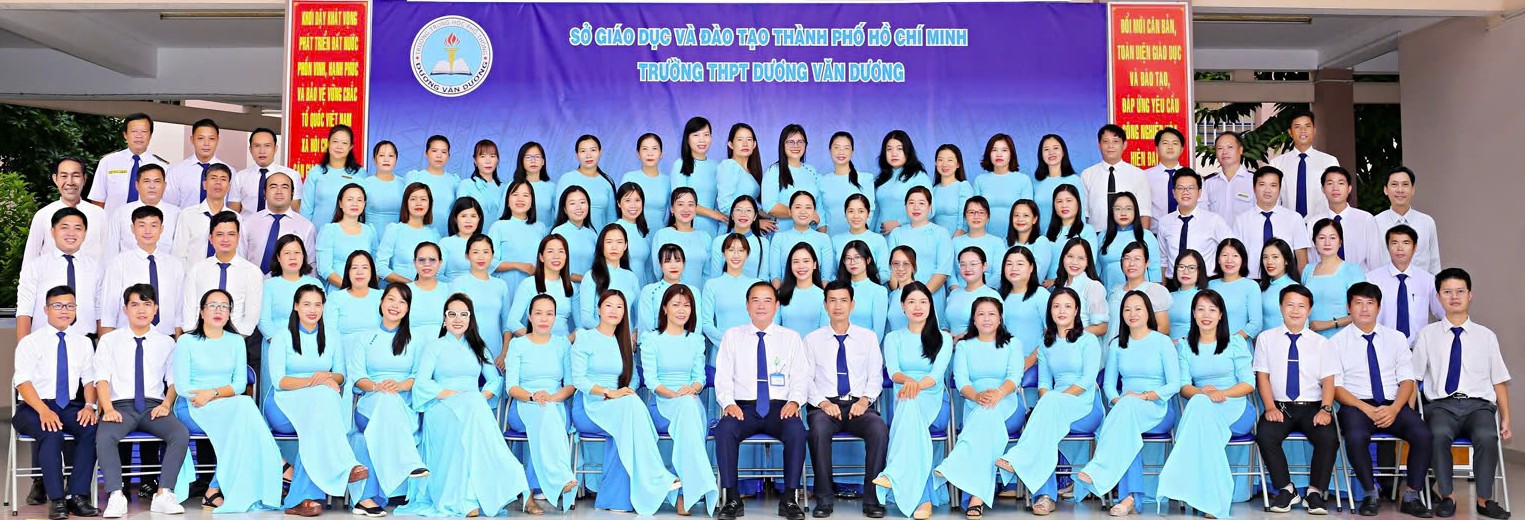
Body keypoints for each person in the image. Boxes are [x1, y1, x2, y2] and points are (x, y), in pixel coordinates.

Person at [403, 294, 531, 516]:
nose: (457, 319)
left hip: (473, 406)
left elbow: (495, 380)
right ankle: (506, 473)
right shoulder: (434, 347)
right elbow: (422, 384)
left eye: (463, 314)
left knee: (472, 408)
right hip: (441, 405)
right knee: (472, 408)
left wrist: (482, 395)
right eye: (452, 314)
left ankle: (469, 498)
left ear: (470, 319)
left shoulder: (479, 347)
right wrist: (452, 394)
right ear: (444, 319)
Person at [1412, 268, 1512, 519]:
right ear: (1438, 297)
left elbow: (1498, 380)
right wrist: (1410, 413)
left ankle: (1484, 500)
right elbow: (1413, 379)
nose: (1454, 297)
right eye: (1447, 292)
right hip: (1441, 407)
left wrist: (1506, 418)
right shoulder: (1426, 335)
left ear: (1470, 295)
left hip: (1479, 407)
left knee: (1487, 436)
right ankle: (1448, 496)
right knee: (1437, 435)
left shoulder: (1486, 336)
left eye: (1460, 291)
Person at [262, 286, 370, 517]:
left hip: (316, 407)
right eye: (307, 304)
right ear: (296, 306)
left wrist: (327, 378)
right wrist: (315, 381)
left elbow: (341, 376)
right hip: (283, 405)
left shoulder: (332, 336)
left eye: (318, 304)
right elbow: (279, 381)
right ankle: (344, 466)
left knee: (317, 418)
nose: (312, 310)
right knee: (323, 399)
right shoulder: (282, 337)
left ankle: (301, 499)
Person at [571, 291, 681, 515]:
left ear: (624, 313)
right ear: (599, 309)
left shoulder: (624, 342)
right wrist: (609, 392)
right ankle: (657, 476)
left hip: (619, 406)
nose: (614, 311)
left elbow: (633, 379)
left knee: (627, 419)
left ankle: (616, 500)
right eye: (608, 305)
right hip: (589, 406)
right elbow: (578, 380)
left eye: (619, 307)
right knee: (630, 408)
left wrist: (624, 391)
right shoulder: (584, 337)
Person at [173, 289, 282, 512]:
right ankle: (278, 462)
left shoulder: (236, 341)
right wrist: (206, 396)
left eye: (224, 306)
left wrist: (212, 394)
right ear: (201, 311)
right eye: (212, 305)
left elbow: (240, 384)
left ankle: (214, 489)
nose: (218, 310)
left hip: (224, 405)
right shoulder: (186, 341)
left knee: (242, 414)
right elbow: (182, 386)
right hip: (193, 406)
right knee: (243, 411)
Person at [1072, 290, 1180, 515]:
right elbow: (1109, 384)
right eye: (1127, 309)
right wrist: (1118, 400)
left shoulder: (1162, 342)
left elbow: (1174, 385)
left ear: (1148, 312)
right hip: (1126, 407)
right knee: (1127, 429)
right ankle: (1129, 498)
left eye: (1138, 308)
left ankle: (1098, 470)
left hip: (1157, 408)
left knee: (1125, 415)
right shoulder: (1117, 345)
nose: (1132, 313)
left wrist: (1143, 396)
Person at [1330, 282, 1433, 517]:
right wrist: (1365, 408)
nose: (1364, 309)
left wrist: (1395, 408)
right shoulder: (1336, 342)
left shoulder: (1396, 338)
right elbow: (1336, 387)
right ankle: (1370, 493)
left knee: (1423, 434)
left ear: (1379, 307)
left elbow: (1407, 381)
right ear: (1348, 307)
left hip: (1392, 403)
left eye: (1370, 303)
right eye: (1358, 303)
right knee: (1355, 436)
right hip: (1356, 405)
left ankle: (1412, 496)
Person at [997, 289, 1103, 516]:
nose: (1061, 311)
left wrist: (1056, 399)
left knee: (1047, 410)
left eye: (1067, 306)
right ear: (1050, 311)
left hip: (1085, 405)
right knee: (1046, 422)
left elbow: (1087, 381)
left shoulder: (1088, 340)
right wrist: (1050, 399)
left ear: (1076, 310)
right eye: (1056, 306)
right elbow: (1044, 383)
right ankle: (1045, 497)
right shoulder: (1045, 343)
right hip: (1054, 405)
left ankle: (1020, 460)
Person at [713, 282, 812, 520]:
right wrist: (728, 403)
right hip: (743, 407)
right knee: (724, 430)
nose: (761, 306)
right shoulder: (732, 336)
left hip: (780, 407)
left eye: (767, 300)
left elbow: (801, 376)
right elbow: (723, 376)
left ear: (776, 306)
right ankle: (732, 498)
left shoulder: (790, 338)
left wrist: (795, 402)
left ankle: (789, 498)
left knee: (797, 431)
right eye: (755, 300)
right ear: (747, 306)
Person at [1155, 290, 1257, 519]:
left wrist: (1221, 393)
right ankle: (1215, 501)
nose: (1206, 314)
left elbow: (1249, 384)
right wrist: (1203, 393)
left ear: (1221, 315)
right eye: (1200, 309)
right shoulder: (1185, 346)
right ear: (1193, 313)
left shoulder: (1235, 342)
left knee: (1201, 415)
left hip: (1235, 408)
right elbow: (1184, 386)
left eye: (1212, 309)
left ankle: (1182, 485)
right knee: (1201, 408)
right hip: (1203, 408)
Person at [93, 284, 189, 517]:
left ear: (155, 309)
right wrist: (108, 409)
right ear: (125, 309)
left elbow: (173, 381)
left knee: (179, 433)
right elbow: (101, 379)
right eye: (135, 304)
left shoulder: (167, 342)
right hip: (120, 406)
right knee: (105, 436)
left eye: (147, 304)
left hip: (153, 407)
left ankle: (163, 494)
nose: (141, 310)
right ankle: (116, 495)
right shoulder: (109, 340)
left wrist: (166, 405)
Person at [934, 295, 1029, 517]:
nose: (986, 318)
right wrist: (977, 396)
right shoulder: (964, 346)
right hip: (974, 405)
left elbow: (1015, 377)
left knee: (987, 416)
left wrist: (998, 393)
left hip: (1007, 404)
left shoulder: (1013, 344)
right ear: (974, 319)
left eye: (992, 314)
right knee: (984, 419)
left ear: (1000, 318)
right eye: (981, 314)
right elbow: (961, 382)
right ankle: (977, 496)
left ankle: (957, 467)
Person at [12, 286, 101, 520]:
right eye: (58, 305)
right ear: (46, 310)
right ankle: (57, 499)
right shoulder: (30, 342)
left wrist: (89, 406)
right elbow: (23, 382)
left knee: (91, 429)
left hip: (68, 405)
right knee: (51, 433)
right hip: (33, 407)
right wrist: (43, 410)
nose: (65, 310)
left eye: (70, 306)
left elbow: (89, 380)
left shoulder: (83, 342)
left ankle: (77, 496)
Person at [804, 281, 889, 518]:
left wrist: (864, 401)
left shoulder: (867, 338)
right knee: (818, 430)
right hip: (825, 406)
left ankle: (872, 500)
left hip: (858, 404)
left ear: (852, 304)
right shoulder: (812, 339)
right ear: (825, 304)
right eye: (832, 300)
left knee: (879, 429)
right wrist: (823, 403)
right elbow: (805, 379)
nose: (838, 306)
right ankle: (824, 500)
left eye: (843, 300)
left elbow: (875, 376)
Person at [1253, 284, 1339, 514]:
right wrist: (1269, 407)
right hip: (1280, 406)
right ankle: (1286, 489)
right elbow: (1262, 377)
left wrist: (1326, 409)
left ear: (1309, 310)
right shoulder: (1266, 339)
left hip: (1313, 407)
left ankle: (1314, 492)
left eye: (1301, 306)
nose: (1295, 310)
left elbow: (1329, 380)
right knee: (1265, 435)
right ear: (1281, 307)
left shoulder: (1321, 343)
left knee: (1329, 437)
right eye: (1289, 305)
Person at [872, 283, 954, 519]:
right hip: (904, 399)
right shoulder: (893, 338)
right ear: (902, 306)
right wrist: (909, 383)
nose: (917, 307)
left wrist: (915, 386)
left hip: (933, 400)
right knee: (909, 412)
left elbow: (936, 376)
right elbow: (893, 372)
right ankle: (923, 500)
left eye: (923, 302)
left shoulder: (943, 338)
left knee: (910, 410)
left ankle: (894, 473)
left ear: (931, 305)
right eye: (911, 302)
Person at [347, 284, 430, 516]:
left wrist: (399, 386)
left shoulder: (416, 340)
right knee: (385, 398)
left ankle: (369, 498)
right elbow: (357, 377)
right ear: (381, 302)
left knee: (390, 399)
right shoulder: (364, 338)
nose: (395, 305)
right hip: (369, 405)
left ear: (408, 309)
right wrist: (377, 386)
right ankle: (409, 462)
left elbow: (419, 377)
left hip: (404, 408)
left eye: (402, 302)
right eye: (391, 299)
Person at [638, 285, 718, 516]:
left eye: (686, 305)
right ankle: (692, 491)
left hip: (690, 400)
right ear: (664, 308)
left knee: (689, 408)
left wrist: (691, 389)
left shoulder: (696, 340)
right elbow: (651, 381)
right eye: (676, 305)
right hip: (662, 404)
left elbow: (699, 378)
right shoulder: (651, 339)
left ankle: (683, 491)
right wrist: (675, 395)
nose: (682, 310)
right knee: (687, 409)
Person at [502, 295, 579, 514]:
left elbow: (570, 385)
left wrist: (551, 398)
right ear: (529, 316)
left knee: (547, 417)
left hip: (554, 403)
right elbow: (511, 387)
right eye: (538, 313)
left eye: (549, 313)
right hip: (524, 403)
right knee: (543, 418)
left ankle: (529, 495)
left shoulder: (562, 344)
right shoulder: (518, 345)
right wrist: (534, 397)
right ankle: (561, 477)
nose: (544, 318)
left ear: (555, 317)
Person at [181, 212, 262, 366]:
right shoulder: (197, 269)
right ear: (210, 238)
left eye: (231, 234)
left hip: (236, 343)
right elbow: (189, 310)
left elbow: (251, 316)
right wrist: (196, 340)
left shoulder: (252, 271)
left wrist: (232, 341)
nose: (225, 239)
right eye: (219, 234)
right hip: (200, 343)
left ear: (238, 237)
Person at [18, 207, 103, 338]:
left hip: (86, 342)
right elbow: (24, 310)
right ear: (52, 232)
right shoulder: (35, 267)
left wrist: (104, 347)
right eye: (64, 227)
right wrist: (23, 346)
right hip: (44, 342)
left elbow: (101, 311)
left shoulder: (97, 268)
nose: (71, 233)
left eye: (78, 228)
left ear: (85, 233)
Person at [101, 206, 183, 337]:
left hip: (166, 336)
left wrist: (178, 340)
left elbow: (179, 309)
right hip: (128, 337)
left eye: (153, 225)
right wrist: (107, 342)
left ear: (161, 229)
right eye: (142, 225)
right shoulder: (119, 262)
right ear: (133, 229)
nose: (148, 231)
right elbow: (108, 310)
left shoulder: (174, 264)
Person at [1365, 225, 1440, 345]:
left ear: (1414, 247)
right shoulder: (1372, 279)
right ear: (1388, 247)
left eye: (1406, 243)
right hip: (1383, 347)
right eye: (1394, 243)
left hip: (1418, 348)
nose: (1400, 248)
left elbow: (1442, 313)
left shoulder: (1428, 280)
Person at [1234, 166, 1311, 277]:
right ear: (1254, 188)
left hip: (1285, 282)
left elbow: (1301, 259)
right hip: (1252, 281)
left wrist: (1301, 283)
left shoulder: (1294, 218)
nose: (1267, 190)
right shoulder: (1241, 220)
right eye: (1262, 184)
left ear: (1279, 189)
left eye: (1273, 185)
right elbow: (1236, 255)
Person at [26, 157, 108, 262]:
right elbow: (30, 259)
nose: (70, 182)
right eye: (64, 176)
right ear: (55, 179)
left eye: (76, 176)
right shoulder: (43, 215)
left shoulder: (99, 214)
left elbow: (107, 254)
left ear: (84, 178)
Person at [1157, 169, 1235, 278]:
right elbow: (1163, 260)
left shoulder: (1214, 220)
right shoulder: (1164, 222)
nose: (1185, 192)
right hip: (1174, 282)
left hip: (1205, 282)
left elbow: (1233, 249)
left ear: (1199, 193)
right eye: (1180, 188)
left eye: (1191, 188)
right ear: (1174, 193)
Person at [1303, 166, 1383, 272]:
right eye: (1330, 183)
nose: (1335, 188)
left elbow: (1375, 261)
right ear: (1323, 189)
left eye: (1341, 183)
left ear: (1349, 188)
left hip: (1360, 280)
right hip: (1325, 279)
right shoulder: (1313, 223)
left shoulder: (1366, 220)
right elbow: (1312, 259)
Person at [88, 113, 169, 216]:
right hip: (113, 223)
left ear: (150, 136)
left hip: (146, 224)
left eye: (144, 131)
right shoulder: (108, 162)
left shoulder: (163, 167)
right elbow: (98, 199)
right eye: (134, 131)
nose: (139, 136)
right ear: (125, 134)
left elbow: (165, 201)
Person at [887, 186, 953, 311]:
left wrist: (921, 297)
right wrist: (903, 297)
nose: (916, 207)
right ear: (905, 206)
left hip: (931, 296)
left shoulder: (940, 233)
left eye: (921, 203)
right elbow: (892, 270)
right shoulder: (897, 233)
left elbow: (943, 270)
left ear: (930, 207)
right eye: (911, 203)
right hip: (902, 298)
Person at [256, 235, 323, 351]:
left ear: (303, 256)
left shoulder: (315, 284)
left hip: (310, 347)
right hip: (276, 346)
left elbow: (324, 319)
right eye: (287, 253)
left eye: (297, 252)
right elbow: (263, 321)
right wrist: (281, 345)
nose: (293, 257)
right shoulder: (268, 285)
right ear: (278, 257)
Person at [1081, 125, 1152, 231]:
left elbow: (1144, 213)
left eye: (1115, 141)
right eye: (1106, 141)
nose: (1110, 146)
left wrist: (1142, 238)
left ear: (1124, 144)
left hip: (1129, 235)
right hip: (1097, 234)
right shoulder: (1087, 175)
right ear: (1099, 145)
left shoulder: (1138, 174)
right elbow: (1083, 213)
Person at [1270, 110, 1341, 218]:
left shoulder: (1329, 162)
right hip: (1288, 223)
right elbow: (1274, 198)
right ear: (1290, 132)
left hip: (1322, 223)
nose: (1303, 130)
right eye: (1297, 127)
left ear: (1314, 130)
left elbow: (1336, 196)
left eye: (1307, 126)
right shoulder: (1277, 164)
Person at [1302, 218, 1365, 338]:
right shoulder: (1308, 270)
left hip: (1341, 338)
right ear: (1314, 242)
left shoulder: (1352, 270)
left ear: (1340, 242)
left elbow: (1363, 312)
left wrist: (1329, 324)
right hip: (1311, 339)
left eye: (1332, 238)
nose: (1327, 243)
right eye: (1321, 238)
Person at [243, 172, 316, 275]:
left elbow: (311, 265)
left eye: (284, 187)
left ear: (292, 193)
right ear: (264, 192)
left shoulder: (306, 226)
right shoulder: (248, 223)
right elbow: (240, 259)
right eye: (273, 187)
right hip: (252, 281)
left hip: (290, 283)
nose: (279, 192)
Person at [1373, 166, 1441, 275]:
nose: (1400, 190)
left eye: (1405, 184)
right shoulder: (1375, 223)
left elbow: (1434, 263)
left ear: (1413, 190)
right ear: (1385, 190)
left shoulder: (1427, 222)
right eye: (1394, 184)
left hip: (1421, 284)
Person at [452, 235, 511, 360]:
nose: (481, 257)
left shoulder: (501, 285)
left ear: (492, 255)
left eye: (485, 252)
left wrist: (504, 354)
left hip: (496, 353)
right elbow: (453, 321)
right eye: (475, 252)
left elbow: (507, 323)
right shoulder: (459, 283)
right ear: (467, 255)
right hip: (466, 352)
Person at [506, 235, 577, 337]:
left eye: (561, 251)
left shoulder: (571, 287)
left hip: (563, 344)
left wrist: (566, 342)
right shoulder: (528, 284)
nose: (556, 256)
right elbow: (512, 322)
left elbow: (580, 326)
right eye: (550, 251)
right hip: (534, 344)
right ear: (541, 257)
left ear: (566, 256)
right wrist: (536, 340)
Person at [104, 163, 179, 258]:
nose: (152, 186)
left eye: (157, 181)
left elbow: (179, 251)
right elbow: (111, 249)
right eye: (146, 181)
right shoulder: (121, 213)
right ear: (137, 185)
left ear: (164, 185)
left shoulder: (176, 214)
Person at [488, 179, 549, 295]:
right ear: (507, 201)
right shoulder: (498, 226)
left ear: (532, 202)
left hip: (535, 287)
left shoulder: (540, 228)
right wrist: (518, 266)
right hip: (507, 287)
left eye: (525, 195)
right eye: (515, 194)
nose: (520, 199)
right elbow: (489, 262)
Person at [1104, 243, 1172, 346]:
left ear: (1146, 263)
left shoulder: (1155, 290)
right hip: (1110, 348)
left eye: (1137, 259)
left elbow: (1163, 328)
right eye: (1127, 258)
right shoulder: (1114, 290)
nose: (1131, 263)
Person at [172, 163, 240, 265]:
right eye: (213, 178)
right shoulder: (188, 214)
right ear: (204, 184)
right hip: (193, 273)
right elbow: (179, 253)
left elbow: (239, 253)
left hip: (225, 272)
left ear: (229, 187)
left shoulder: (237, 218)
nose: (218, 182)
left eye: (223, 179)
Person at [669, 117, 726, 236]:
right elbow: (679, 201)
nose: (702, 140)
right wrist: (714, 214)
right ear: (687, 139)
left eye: (706, 135)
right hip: (688, 224)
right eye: (696, 135)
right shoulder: (680, 164)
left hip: (713, 227)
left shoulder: (717, 166)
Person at [377, 183, 443, 285]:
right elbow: (380, 268)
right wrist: (412, 285)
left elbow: (438, 271)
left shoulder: (434, 234)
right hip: (400, 290)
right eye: (413, 199)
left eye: (423, 199)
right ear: (406, 203)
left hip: (426, 290)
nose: (418, 203)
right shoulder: (394, 229)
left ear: (429, 204)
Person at [971, 134, 1034, 240]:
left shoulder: (1023, 180)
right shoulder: (980, 180)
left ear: (1011, 154)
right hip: (985, 238)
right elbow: (974, 213)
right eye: (994, 150)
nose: (999, 154)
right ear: (989, 153)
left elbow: (1028, 213)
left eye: (1004, 150)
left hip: (1015, 239)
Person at [1097, 192, 1163, 292]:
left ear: (1135, 211)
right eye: (1118, 209)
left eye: (1128, 208)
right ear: (1111, 211)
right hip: (1109, 294)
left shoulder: (1146, 236)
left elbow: (1155, 271)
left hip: (1141, 295)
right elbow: (1096, 269)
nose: (1123, 213)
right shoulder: (1102, 236)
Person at [315, 183, 379, 287]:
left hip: (365, 290)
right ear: (340, 203)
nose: (355, 203)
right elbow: (324, 269)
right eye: (350, 199)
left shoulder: (369, 230)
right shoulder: (329, 230)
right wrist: (350, 289)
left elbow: (376, 266)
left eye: (359, 200)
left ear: (364, 204)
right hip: (339, 289)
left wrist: (366, 289)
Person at [300, 125, 364, 228]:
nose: (339, 146)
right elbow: (306, 209)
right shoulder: (315, 172)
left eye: (344, 143)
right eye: (335, 141)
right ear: (328, 143)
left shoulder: (359, 174)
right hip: (318, 232)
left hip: (349, 232)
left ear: (350, 147)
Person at [229, 128, 302, 218]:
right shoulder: (240, 177)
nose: (262, 151)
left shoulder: (292, 175)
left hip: (279, 224)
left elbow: (294, 210)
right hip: (247, 225)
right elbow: (234, 211)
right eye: (257, 146)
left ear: (275, 148)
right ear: (250, 149)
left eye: (267, 146)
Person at [578, 224, 641, 328]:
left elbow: (640, 313)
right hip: (600, 336)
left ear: (625, 246)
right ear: (601, 245)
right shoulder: (591, 276)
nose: (614, 247)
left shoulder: (631, 277)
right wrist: (608, 332)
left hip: (627, 337)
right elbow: (587, 319)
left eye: (619, 242)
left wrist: (636, 331)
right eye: (609, 242)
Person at [652, 187, 715, 286]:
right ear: (672, 208)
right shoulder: (662, 235)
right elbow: (658, 272)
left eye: (690, 204)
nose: (686, 209)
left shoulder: (705, 237)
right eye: (680, 204)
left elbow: (708, 274)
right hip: (671, 293)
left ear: (696, 208)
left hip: (698, 293)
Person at [873, 130, 933, 234]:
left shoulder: (918, 177)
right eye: (889, 149)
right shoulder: (882, 179)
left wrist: (898, 223)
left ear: (908, 151)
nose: (894, 153)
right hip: (880, 236)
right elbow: (876, 212)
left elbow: (930, 211)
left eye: (899, 149)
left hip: (907, 235)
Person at [997, 246, 1049, 365]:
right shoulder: (998, 297)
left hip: (1032, 364)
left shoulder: (1040, 295)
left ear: (1031, 267)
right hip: (1003, 362)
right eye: (1009, 264)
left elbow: (1053, 331)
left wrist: (1032, 358)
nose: (1014, 268)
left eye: (1020, 264)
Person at [768, 191, 834, 283]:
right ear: (790, 211)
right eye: (798, 207)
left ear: (814, 212)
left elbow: (826, 277)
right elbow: (775, 276)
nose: (803, 212)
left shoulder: (824, 239)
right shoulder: (779, 238)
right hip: (785, 290)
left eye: (808, 207)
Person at [555, 135, 619, 229]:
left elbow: (612, 218)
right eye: (583, 151)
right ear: (576, 155)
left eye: (593, 150)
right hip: (572, 236)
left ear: (600, 152)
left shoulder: (607, 181)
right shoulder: (566, 179)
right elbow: (558, 214)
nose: (588, 155)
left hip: (601, 237)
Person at [761, 124, 821, 224]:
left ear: (805, 145)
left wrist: (821, 228)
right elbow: (769, 206)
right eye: (790, 142)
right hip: (783, 230)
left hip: (810, 230)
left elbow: (819, 205)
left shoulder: (811, 171)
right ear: (783, 145)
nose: (796, 146)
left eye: (800, 142)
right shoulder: (774, 171)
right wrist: (802, 213)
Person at [817, 132, 875, 234]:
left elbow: (870, 210)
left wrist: (858, 234)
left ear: (852, 152)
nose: (841, 152)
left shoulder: (865, 179)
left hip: (858, 238)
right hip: (830, 238)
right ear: (830, 150)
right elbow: (820, 212)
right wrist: (823, 235)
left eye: (846, 148)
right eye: (837, 147)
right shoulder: (822, 181)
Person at [638, 245, 705, 333]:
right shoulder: (649, 291)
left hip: (688, 340)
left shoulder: (693, 291)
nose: (673, 266)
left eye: (677, 260)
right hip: (655, 341)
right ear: (660, 265)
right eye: (667, 261)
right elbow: (646, 328)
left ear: (684, 264)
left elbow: (696, 326)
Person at [164, 118, 228, 209]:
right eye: (201, 138)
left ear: (217, 140)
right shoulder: (176, 171)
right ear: (192, 139)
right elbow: (170, 206)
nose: (206, 143)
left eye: (211, 139)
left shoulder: (229, 171)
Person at [403, 135, 459, 235]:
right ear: (426, 153)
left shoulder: (454, 181)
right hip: (419, 233)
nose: (439, 155)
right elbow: (406, 207)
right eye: (434, 151)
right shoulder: (415, 177)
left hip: (447, 234)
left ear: (448, 156)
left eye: (443, 152)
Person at [1209, 239, 1264, 341]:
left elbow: (1256, 325)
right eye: (1224, 255)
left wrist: (1229, 343)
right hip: (1210, 346)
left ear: (1242, 259)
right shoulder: (1210, 285)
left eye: (1235, 256)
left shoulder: (1251, 286)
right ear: (1218, 259)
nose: (1229, 260)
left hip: (1238, 346)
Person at [620, 133, 671, 241]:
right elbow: (620, 210)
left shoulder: (668, 181)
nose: (650, 153)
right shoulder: (629, 177)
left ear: (661, 154)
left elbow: (674, 211)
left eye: (654, 149)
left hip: (659, 237)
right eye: (645, 149)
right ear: (638, 154)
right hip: (633, 236)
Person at [1055, 237, 1109, 337]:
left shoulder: (1093, 286)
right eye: (1070, 256)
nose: (1074, 262)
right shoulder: (1061, 286)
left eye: (1081, 258)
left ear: (1088, 262)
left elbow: (1102, 327)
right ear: (1063, 258)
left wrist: (1071, 334)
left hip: (1083, 343)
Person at [1032, 134, 1086, 229]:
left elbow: (1080, 213)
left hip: (1065, 235)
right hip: (1039, 235)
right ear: (1041, 154)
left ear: (1063, 152)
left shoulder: (1074, 180)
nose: (1051, 152)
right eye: (1046, 149)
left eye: (1055, 148)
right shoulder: (1035, 181)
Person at [951, 197, 1006, 290]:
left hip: (988, 292)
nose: (976, 216)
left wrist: (982, 291)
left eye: (981, 212)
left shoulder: (997, 242)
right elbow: (950, 272)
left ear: (988, 217)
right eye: (971, 212)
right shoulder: (955, 242)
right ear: (965, 216)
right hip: (959, 291)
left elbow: (999, 273)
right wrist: (957, 291)